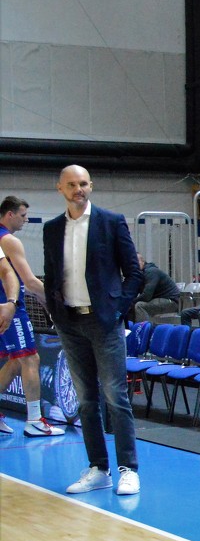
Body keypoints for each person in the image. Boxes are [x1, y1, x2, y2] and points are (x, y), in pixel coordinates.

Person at [43, 165, 145, 495]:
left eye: (84, 183)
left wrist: (116, 311)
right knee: (86, 401)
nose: (79, 189)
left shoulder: (111, 222)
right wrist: (56, 313)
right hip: (70, 324)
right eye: (72, 184)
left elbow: (134, 273)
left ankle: (129, 469)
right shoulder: (52, 228)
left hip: (104, 322)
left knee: (116, 397)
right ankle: (98, 468)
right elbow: (50, 275)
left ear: (91, 186)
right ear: (60, 188)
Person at [0, 195, 66, 437]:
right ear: (10, 214)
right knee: (30, 358)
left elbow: (18, 280)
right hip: (10, 309)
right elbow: (28, 281)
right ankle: (35, 420)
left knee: (14, 360)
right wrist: (58, 302)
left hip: (6, 305)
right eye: (23, 215)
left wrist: (42, 299)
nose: (26, 220)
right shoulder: (9, 241)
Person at [132, 253, 181, 321]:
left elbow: (147, 296)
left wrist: (132, 302)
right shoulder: (139, 275)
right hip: (158, 299)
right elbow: (133, 292)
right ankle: (130, 327)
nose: (134, 264)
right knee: (129, 306)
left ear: (143, 262)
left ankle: (144, 327)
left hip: (170, 301)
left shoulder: (151, 272)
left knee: (139, 306)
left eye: (136, 261)